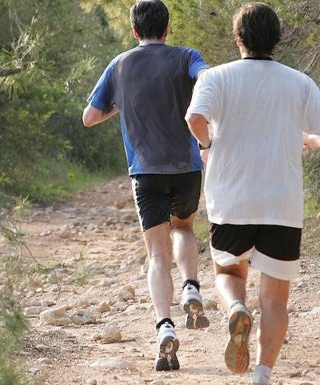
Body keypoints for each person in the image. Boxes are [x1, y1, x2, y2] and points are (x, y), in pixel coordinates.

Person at [185, 3, 320, 384]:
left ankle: (236, 307)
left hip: (231, 200)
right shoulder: (298, 82)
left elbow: (194, 119)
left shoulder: (215, 77)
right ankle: (262, 373)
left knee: (227, 270)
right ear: (278, 38)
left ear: (237, 38)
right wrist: (310, 140)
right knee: (275, 299)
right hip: (282, 204)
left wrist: (208, 143)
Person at [82, 0, 210, 372]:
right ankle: (191, 286)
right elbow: (208, 77)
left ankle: (164, 326)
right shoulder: (186, 56)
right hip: (186, 166)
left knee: (156, 253)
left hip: (145, 171)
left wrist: (120, 103)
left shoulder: (119, 65)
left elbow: (89, 117)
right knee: (184, 228)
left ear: (134, 31)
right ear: (167, 28)